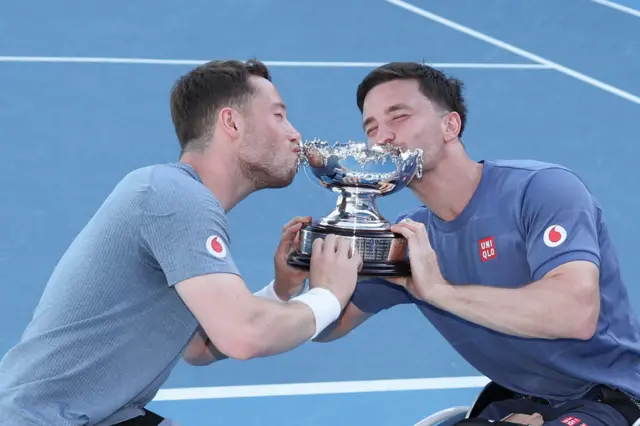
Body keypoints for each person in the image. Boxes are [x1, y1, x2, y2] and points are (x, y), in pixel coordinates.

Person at [0, 59, 362, 426]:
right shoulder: (175, 196)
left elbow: (198, 348)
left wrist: (282, 289)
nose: (295, 134)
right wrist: (330, 295)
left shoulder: (173, 195)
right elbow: (244, 335)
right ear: (231, 123)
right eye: (279, 115)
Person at [313, 62, 640, 425]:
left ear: (450, 125)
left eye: (399, 117)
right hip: (512, 403)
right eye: (371, 128)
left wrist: (438, 291)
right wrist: (294, 282)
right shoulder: (412, 237)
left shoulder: (541, 190)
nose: (382, 138)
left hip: (609, 399)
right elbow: (328, 325)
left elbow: (574, 314)